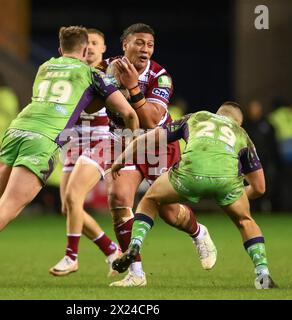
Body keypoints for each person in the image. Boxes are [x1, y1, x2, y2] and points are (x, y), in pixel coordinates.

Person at [0, 26, 139, 287]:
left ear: (60, 50)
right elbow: (129, 115)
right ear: (84, 50)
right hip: (42, 140)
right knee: (10, 207)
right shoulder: (92, 74)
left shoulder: (45, 67)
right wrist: (129, 150)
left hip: (15, 130)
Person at [50, 23, 216, 287]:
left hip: (158, 144)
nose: (145, 49)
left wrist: (132, 88)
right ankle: (136, 274)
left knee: (170, 213)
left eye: (150, 45)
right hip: (123, 142)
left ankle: (198, 232)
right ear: (125, 44)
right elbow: (92, 106)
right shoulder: (107, 69)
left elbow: (150, 120)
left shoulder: (161, 77)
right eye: (139, 43)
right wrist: (97, 86)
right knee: (118, 199)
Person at [111, 102, 277, 289]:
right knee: (245, 221)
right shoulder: (242, 135)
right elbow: (260, 187)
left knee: (150, 200)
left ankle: (135, 245)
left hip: (189, 175)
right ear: (238, 122)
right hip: (227, 183)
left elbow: (148, 139)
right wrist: (234, 195)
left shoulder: (197, 117)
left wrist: (121, 160)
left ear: (218, 113)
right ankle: (263, 275)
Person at [50, 29, 123, 277]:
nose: (90, 47)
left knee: (74, 197)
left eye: (95, 43)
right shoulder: (71, 71)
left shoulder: (111, 73)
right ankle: (112, 250)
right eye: (87, 43)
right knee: (68, 207)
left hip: (101, 140)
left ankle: (72, 256)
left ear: (103, 48)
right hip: (74, 142)